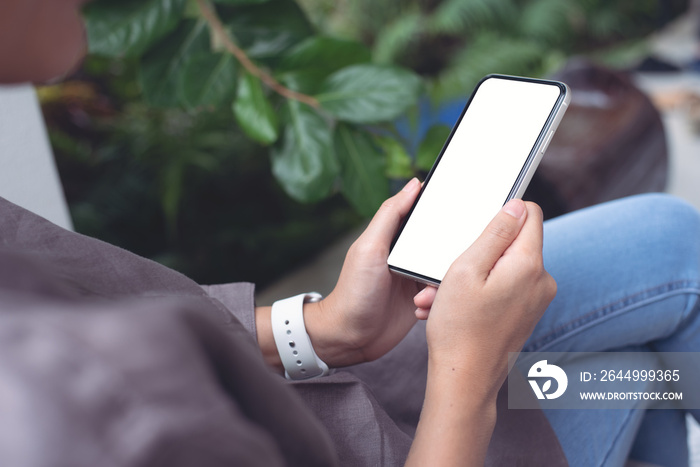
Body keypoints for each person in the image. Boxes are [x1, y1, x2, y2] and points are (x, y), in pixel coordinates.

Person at [1, 1, 699, 466]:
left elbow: (119, 305)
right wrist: (470, 374)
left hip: (342, 385)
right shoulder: (64, 410)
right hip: (419, 438)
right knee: (637, 371)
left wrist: (322, 327)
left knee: (659, 283)